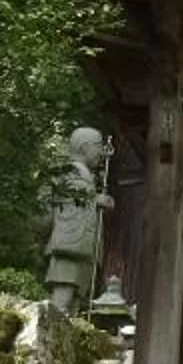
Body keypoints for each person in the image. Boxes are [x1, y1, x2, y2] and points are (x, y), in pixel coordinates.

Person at [43, 126, 111, 314]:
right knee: (64, 291)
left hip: (82, 245)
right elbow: (70, 198)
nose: (101, 152)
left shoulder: (85, 174)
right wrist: (95, 199)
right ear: (84, 147)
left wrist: (95, 200)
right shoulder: (72, 171)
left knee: (76, 297)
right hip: (71, 244)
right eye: (98, 146)